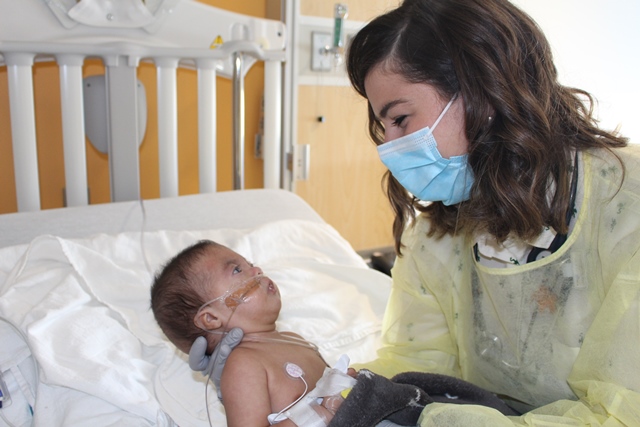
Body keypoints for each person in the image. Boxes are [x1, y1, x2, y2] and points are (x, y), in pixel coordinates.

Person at [345, 0, 640, 425]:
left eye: (402, 119)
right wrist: (342, 398)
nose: (389, 149)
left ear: (482, 91)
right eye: (384, 126)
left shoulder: (625, 209)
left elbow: (623, 412)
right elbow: (416, 362)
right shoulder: (434, 234)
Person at [150, 239, 356, 427]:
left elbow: (332, 395)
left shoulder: (295, 340)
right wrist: (319, 415)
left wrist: (346, 385)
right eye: (238, 270)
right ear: (211, 318)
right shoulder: (243, 366)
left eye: (249, 263)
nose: (257, 270)